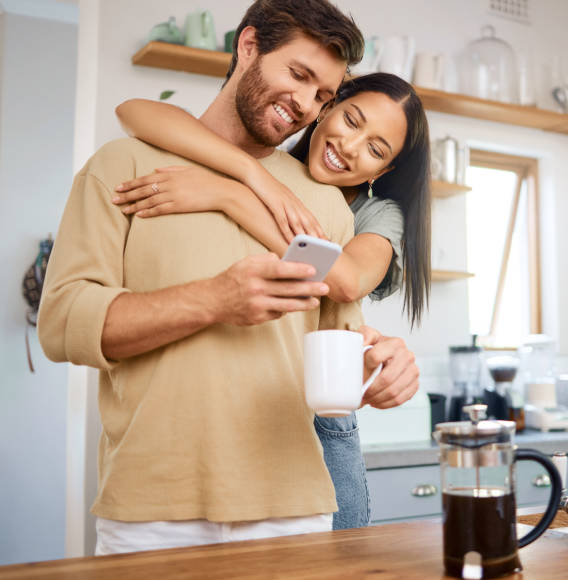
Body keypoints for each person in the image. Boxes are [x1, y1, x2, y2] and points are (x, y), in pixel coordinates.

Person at [38, 0, 419, 554]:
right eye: (296, 74)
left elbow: (336, 343)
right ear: (247, 47)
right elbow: (62, 323)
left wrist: (382, 364)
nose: (306, 106)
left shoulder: (330, 207)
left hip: (295, 510)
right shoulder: (125, 165)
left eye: (321, 95)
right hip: (152, 512)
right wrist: (213, 301)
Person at [112, 72, 431, 529]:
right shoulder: (269, 171)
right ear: (327, 108)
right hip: (234, 414)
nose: (350, 146)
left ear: (384, 171)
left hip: (322, 422)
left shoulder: (379, 213)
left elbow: (346, 280)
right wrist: (254, 175)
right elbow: (133, 111)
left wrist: (230, 196)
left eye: (376, 150)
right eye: (351, 120)